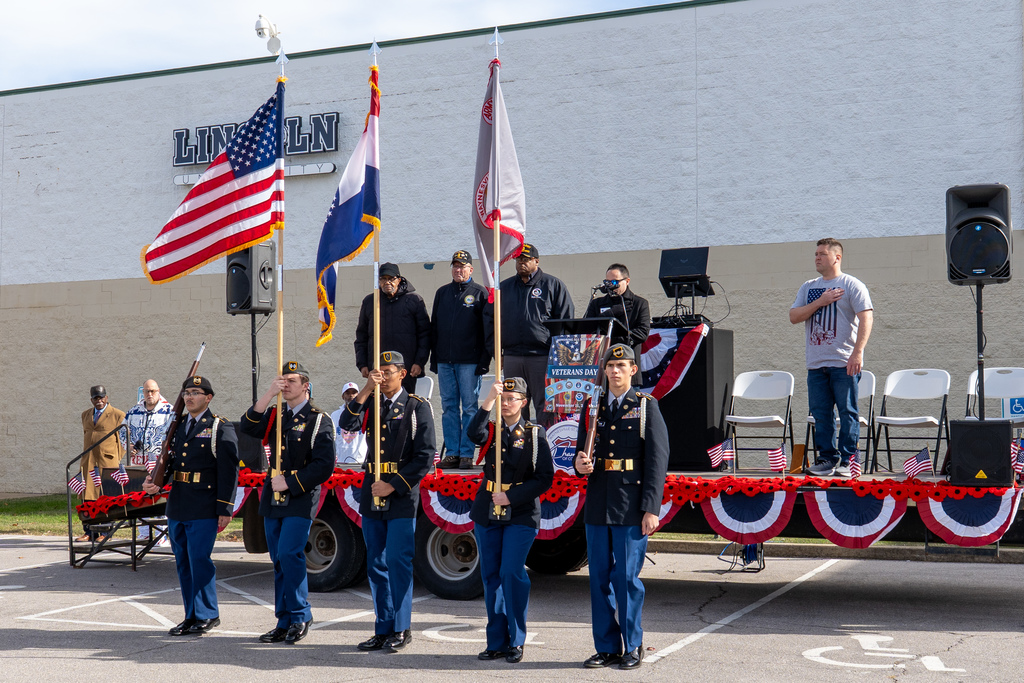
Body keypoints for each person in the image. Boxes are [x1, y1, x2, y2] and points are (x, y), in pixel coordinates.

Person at [574, 344, 670, 670]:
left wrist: (651, 508)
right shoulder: (592, 406)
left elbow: (657, 461)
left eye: (621, 365)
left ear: (633, 369)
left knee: (626, 578)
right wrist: (580, 464)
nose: (615, 371)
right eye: (610, 365)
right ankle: (606, 647)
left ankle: (632, 645)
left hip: (631, 505)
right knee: (599, 578)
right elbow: (579, 454)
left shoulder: (645, 407)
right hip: (599, 502)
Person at [338, 351, 435, 653]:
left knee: (397, 562)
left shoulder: (417, 407)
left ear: (403, 374)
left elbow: (424, 456)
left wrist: (392, 486)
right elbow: (347, 424)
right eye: (377, 371)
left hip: (401, 495)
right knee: (376, 565)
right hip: (372, 490)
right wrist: (366, 389)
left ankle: (401, 628)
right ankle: (383, 627)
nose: (382, 376)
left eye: (388, 371)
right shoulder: (372, 403)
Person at [240, 361, 335, 645]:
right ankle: (283, 620)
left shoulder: (319, 419)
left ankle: (300, 615)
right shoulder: (275, 415)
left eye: (292, 380)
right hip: (273, 496)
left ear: (306, 385)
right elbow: (248, 426)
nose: (287, 385)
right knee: (278, 559)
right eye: (284, 380)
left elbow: (324, 465)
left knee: (290, 553)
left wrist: (291, 483)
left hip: (299, 496)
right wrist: (269, 393)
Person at [142, 376, 238, 636]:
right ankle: (191, 615)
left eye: (196, 392)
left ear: (208, 397)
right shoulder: (179, 425)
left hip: (205, 504)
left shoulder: (219, 427)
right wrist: (156, 481)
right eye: (186, 393)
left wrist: (225, 508)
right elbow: (171, 462)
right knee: (183, 561)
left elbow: (229, 472)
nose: (189, 397)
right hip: (179, 502)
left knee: (199, 560)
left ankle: (208, 613)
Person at [467, 377, 554, 664]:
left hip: (519, 513)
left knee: (511, 573)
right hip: (488, 511)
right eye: (503, 399)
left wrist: (512, 497)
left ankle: (516, 640)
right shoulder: (492, 429)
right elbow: (472, 433)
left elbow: (544, 479)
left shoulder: (534, 434)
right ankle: (496, 642)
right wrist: (488, 400)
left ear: (524, 402)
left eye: (511, 399)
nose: (506, 404)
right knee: (491, 576)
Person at [789, 238, 874, 477]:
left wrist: (858, 352)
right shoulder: (808, 287)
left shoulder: (852, 284)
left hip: (843, 362)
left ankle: (848, 461)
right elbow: (794, 316)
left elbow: (866, 318)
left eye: (823, 254)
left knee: (848, 412)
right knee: (821, 414)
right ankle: (827, 459)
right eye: (815, 254)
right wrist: (821, 301)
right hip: (816, 364)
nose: (817, 257)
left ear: (837, 257)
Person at [485, 243, 574, 425]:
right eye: (518, 260)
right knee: (513, 403)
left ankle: (542, 446)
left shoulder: (553, 285)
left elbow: (566, 321)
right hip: (512, 357)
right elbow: (490, 320)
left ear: (536, 261)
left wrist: (560, 355)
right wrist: (496, 352)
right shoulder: (504, 287)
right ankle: (516, 446)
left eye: (526, 260)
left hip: (542, 356)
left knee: (544, 405)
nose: (521, 263)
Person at [431, 250, 490, 469]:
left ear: (471, 269)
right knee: (448, 407)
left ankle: (466, 453)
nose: (458, 270)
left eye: (463, 266)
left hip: (470, 362)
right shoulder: (442, 293)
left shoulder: (479, 293)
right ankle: (452, 453)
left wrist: (485, 359)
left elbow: (487, 331)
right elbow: (434, 327)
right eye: (455, 266)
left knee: (469, 408)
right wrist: (434, 358)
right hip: (446, 361)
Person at [354, 262, 431, 395]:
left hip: (406, 369)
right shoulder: (370, 302)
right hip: (378, 369)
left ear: (399, 280)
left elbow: (425, 335)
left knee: (404, 408)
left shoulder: (414, 301)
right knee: (378, 409)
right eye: (383, 279)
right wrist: (362, 364)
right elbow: (362, 336)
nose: (387, 282)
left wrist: (419, 362)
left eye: (391, 279)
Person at [122, 380, 174, 541]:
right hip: (138, 462)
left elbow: (173, 435)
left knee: (158, 496)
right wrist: (128, 445)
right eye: (146, 391)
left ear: (158, 391)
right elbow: (122, 432)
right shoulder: (133, 411)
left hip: (159, 462)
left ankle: (161, 534)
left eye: (152, 391)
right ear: (142, 392)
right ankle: (144, 533)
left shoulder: (169, 411)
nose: (149, 394)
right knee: (140, 497)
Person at [584, 264, 651, 381]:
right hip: (602, 364)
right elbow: (588, 330)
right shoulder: (597, 304)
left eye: (614, 282)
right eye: (607, 282)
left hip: (627, 362)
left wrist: (615, 337)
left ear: (627, 281)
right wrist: (609, 314)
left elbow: (642, 333)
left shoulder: (640, 303)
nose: (610, 286)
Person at [77, 385, 126, 541]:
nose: (99, 401)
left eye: (101, 397)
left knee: (105, 497)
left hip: (107, 462)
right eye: (96, 398)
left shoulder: (118, 415)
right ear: (91, 399)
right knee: (88, 497)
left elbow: (123, 441)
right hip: (89, 461)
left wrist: (115, 458)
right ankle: (89, 531)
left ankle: (106, 533)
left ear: (107, 398)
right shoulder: (85, 415)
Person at [330, 382, 367, 465]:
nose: (351, 395)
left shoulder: (364, 413)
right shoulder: (335, 415)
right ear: (343, 396)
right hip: (340, 460)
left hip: (359, 460)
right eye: (347, 393)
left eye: (354, 393)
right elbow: (332, 437)